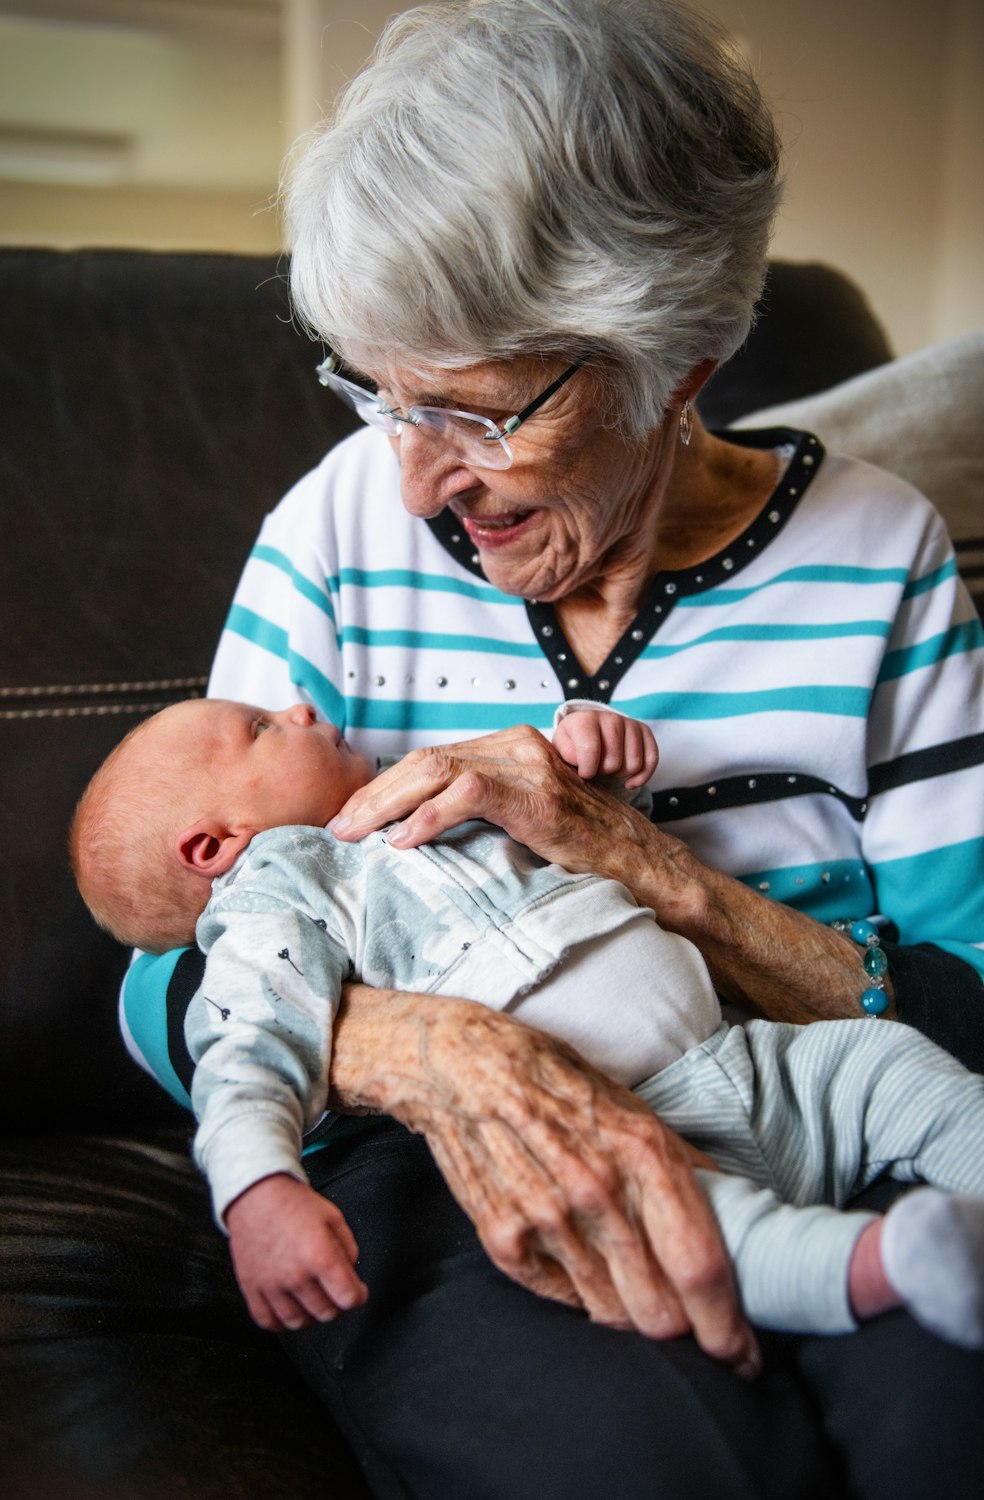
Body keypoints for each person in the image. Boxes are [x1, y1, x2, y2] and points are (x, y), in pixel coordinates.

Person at [117, 1, 984, 1495]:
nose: (408, 480)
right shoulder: (334, 531)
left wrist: (642, 865)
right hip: (450, 1147)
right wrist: (442, 1050)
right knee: (654, 1463)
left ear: (686, 355)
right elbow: (171, 955)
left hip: (808, 1089)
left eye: (471, 409)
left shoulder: (882, 559)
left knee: (947, 1413)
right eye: (376, 395)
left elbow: (961, 1004)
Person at [74, 694, 984, 1350]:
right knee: (698, 1239)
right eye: (262, 728)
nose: (304, 705)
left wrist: (598, 763)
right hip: (623, 1134)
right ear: (215, 845)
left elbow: (593, 844)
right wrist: (258, 1188)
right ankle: (886, 1266)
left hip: (757, 1052)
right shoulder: (280, 898)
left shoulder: (438, 787)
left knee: (889, 1064)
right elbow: (244, 1045)